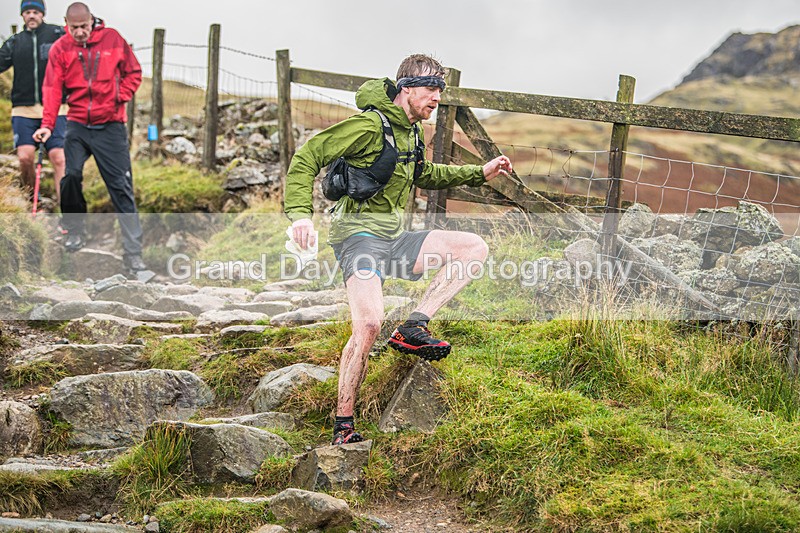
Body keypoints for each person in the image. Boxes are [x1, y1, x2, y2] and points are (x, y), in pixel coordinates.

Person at [284, 54, 512, 445]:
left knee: (472, 247)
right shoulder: (369, 126)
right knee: (369, 326)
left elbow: (423, 173)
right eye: (430, 90)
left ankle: (413, 325)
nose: (436, 99)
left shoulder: (410, 131)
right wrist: (300, 216)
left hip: (394, 238)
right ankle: (344, 425)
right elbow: (308, 156)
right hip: (358, 240)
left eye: (440, 90)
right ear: (406, 88)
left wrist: (480, 172)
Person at [33, 2, 146, 273]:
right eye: (74, 28)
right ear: (66, 24)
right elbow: (51, 88)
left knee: (121, 187)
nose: (80, 32)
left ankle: (134, 255)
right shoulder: (61, 48)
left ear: (91, 21)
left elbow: (134, 73)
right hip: (77, 124)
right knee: (70, 176)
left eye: (84, 26)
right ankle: (74, 230)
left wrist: (120, 96)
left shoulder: (113, 39)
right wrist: (48, 124)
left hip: (111, 126)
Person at [0, 0, 67, 203]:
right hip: (24, 110)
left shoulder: (57, 35)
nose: (31, 16)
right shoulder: (15, 42)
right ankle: (31, 199)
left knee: (59, 158)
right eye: (27, 12)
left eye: (35, 12)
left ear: (42, 14)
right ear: (22, 15)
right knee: (24, 157)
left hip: (57, 108)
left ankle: (66, 211)